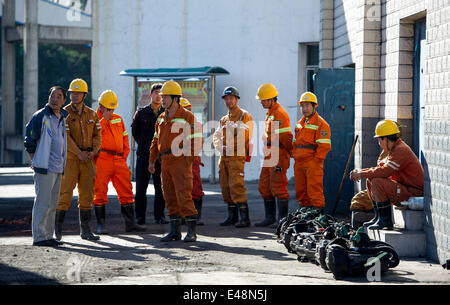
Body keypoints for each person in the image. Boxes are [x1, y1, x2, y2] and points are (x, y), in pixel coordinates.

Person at [149, 81, 203, 242]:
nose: (162, 99)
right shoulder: (161, 118)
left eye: (165, 97)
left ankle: (192, 231)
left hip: (180, 160)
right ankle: (175, 231)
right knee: (169, 196)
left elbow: (197, 140)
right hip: (165, 161)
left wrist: (188, 159)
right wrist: (152, 160)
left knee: (184, 195)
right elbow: (155, 140)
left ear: (175, 98)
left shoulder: (187, 116)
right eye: (162, 96)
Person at [350, 119, 424, 230]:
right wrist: (362, 173)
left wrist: (361, 174)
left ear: (386, 139)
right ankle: (378, 217)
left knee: (377, 181)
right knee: (371, 179)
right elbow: (380, 169)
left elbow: (385, 171)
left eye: (379, 140)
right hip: (405, 189)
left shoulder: (401, 150)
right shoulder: (395, 149)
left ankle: (385, 220)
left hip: (414, 193)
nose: (379, 143)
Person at [93, 90, 146, 234]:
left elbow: (125, 139)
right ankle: (100, 226)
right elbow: (94, 137)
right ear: (101, 106)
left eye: (112, 109)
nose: (110, 111)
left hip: (118, 159)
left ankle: (130, 224)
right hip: (102, 158)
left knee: (126, 190)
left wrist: (123, 156)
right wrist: (104, 119)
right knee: (99, 191)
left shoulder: (118, 118)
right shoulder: (94, 120)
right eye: (108, 108)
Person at [55, 78, 101, 241]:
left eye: (77, 93)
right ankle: (58, 231)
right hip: (71, 159)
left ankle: (86, 230)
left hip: (88, 159)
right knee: (65, 193)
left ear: (84, 95)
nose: (74, 95)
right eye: (72, 93)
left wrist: (93, 152)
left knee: (87, 195)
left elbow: (97, 135)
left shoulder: (92, 114)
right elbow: (64, 136)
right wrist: (78, 153)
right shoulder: (64, 112)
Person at [24, 86, 69, 247]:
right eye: (52, 95)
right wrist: (35, 161)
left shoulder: (63, 117)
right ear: (48, 97)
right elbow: (29, 140)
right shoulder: (41, 116)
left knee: (52, 205)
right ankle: (39, 237)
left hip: (58, 168)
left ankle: (48, 235)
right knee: (42, 203)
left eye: (58, 96)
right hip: (44, 168)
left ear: (64, 100)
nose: (54, 99)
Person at [213, 87, 254, 228]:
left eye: (231, 98)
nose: (229, 101)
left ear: (237, 99)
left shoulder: (244, 116)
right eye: (226, 99)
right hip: (224, 158)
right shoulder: (224, 119)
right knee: (225, 186)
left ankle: (245, 218)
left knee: (236, 186)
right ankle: (232, 216)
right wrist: (220, 147)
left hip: (236, 157)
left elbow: (244, 137)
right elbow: (216, 136)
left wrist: (228, 147)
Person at [255, 83, 293, 228]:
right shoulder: (271, 113)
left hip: (278, 153)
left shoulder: (279, 114)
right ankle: (270, 217)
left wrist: (289, 153)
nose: (261, 102)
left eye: (263, 100)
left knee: (278, 186)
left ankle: (282, 221)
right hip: (270, 153)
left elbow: (286, 137)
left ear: (272, 99)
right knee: (264, 186)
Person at [131, 83, 167, 225]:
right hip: (144, 156)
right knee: (141, 188)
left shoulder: (166, 113)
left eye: (161, 93)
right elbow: (135, 132)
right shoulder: (141, 112)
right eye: (156, 92)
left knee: (160, 188)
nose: (159, 95)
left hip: (160, 157)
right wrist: (145, 144)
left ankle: (160, 216)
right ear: (151, 94)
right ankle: (140, 217)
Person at [292, 92, 331, 213]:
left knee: (314, 191)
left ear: (314, 106)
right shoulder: (300, 123)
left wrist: (316, 161)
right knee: (301, 192)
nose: (304, 109)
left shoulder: (321, 124)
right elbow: (295, 142)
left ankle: (318, 221)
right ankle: (305, 218)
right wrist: (295, 155)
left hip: (312, 162)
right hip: (299, 162)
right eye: (302, 106)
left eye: (307, 105)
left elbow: (324, 146)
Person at [180, 98, 205, 225]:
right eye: (185, 109)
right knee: (182, 189)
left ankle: (196, 216)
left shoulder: (195, 124)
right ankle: (184, 215)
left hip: (192, 161)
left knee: (195, 188)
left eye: (189, 109)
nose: (188, 112)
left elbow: (198, 144)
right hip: (180, 162)